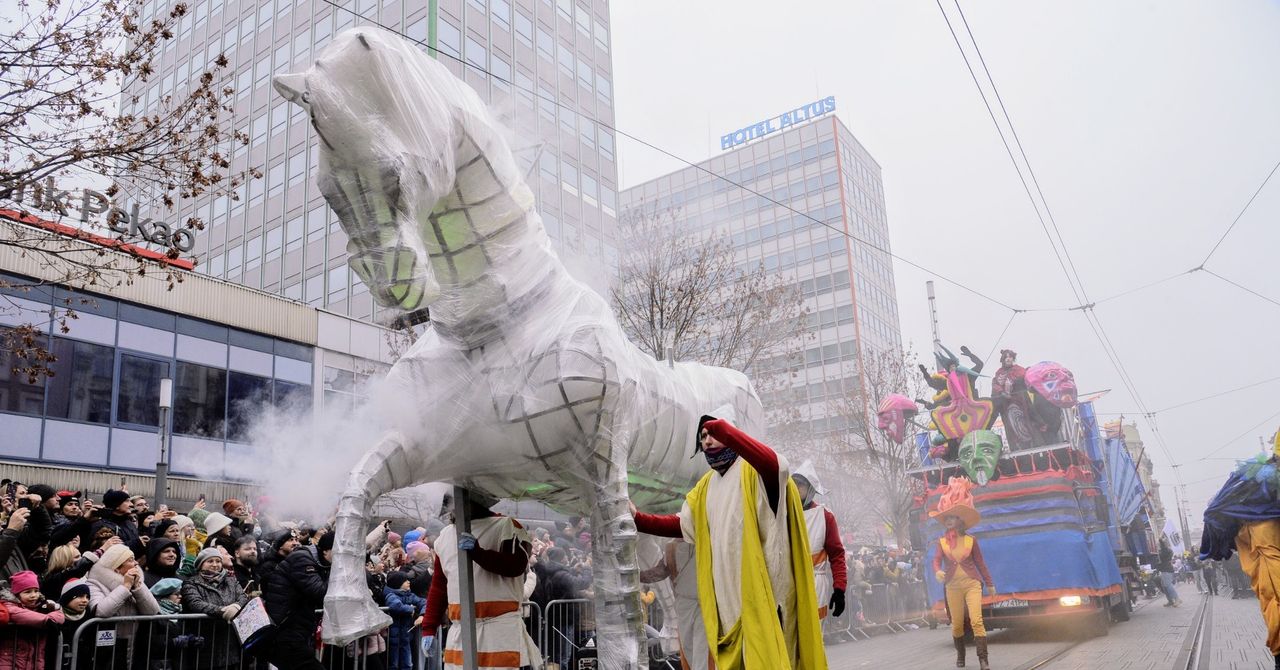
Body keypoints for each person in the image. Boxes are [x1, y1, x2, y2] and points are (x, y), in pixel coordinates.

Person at [632, 414, 826, 669]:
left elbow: (776, 466)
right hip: (726, 608)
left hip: (765, 601)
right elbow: (681, 524)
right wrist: (637, 518)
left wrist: (724, 430)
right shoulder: (704, 488)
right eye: (703, 437)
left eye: (715, 434)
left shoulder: (753, 471)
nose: (709, 440)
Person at [420, 491, 539, 670]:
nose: (453, 511)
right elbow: (439, 586)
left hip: (499, 631)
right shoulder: (444, 536)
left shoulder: (507, 526)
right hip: (461, 632)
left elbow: (516, 566)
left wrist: (479, 553)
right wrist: (429, 627)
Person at [930, 477, 995, 670]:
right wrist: (937, 571)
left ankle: (983, 659)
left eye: (952, 517)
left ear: (959, 520)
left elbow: (980, 563)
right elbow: (935, 561)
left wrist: (990, 583)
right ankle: (961, 655)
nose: (948, 521)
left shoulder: (971, 540)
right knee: (957, 625)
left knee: (976, 620)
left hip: (972, 584)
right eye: (946, 518)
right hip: (952, 587)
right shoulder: (941, 542)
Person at [85, 543, 161, 668]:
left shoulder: (136, 582)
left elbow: (153, 611)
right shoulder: (94, 583)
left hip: (135, 642)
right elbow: (101, 611)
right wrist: (125, 587)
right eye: (130, 560)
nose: (136, 563)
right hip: (106, 645)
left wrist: (137, 588)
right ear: (116, 568)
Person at [263, 530, 332, 670]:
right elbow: (320, 592)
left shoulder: (315, 561)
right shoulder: (303, 560)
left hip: (297, 630)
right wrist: (338, 570)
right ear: (325, 551)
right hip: (286, 630)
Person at [640, 541, 710, 670]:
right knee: (688, 648)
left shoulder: (704, 539)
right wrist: (637, 576)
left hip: (703, 605)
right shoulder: (671, 547)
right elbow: (660, 571)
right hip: (683, 606)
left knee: (702, 650)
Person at [792, 465, 847, 622]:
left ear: (810, 488)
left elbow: (837, 555)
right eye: (793, 484)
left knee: (815, 636)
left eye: (800, 484)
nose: (795, 488)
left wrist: (839, 590)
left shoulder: (825, 516)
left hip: (815, 584)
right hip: (789, 583)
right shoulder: (783, 513)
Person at [181, 548, 251, 670]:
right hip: (205, 644)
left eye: (218, 561)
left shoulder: (231, 580)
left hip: (230, 643)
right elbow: (196, 604)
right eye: (210, 561)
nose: (215, 565)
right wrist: (222, 612)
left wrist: (236, 606)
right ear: (201, 564)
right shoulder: (191, 583)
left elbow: (242, 597)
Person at [0, 570, 65, 670]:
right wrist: (46, 620)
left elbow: (60, 614)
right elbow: (20, 614)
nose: (34, 595)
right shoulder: (9, 604)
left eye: (36, 591)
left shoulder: (43, 605)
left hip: (35, 661)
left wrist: (49, 618)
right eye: (27, 592)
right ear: (16, 594)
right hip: (11, 662)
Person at [385, 570, 426, 670]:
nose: (408, 582)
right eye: (405, 580)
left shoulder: (409, 595)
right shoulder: (391, 595)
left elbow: (424, 602)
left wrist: (422, 615)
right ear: (398, 583)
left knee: (408, 664)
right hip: (392, 638)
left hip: (405, 637)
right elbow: (395, 605)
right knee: (393, 665)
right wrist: (410, 609)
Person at [92, 490, 143, 558]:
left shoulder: (130, 524)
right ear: (116, 505)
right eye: (127, 501)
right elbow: (110, 553)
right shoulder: (101, 526)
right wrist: (138, 543)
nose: (131, 504)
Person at [1157, 538, 1182, 607]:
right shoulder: (1165, 551)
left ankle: (1177, 599)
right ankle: (1170, 600)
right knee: (1164, 587)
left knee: (1168, 585)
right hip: (1165, 569)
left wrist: (1160, 541)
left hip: (1166, 570)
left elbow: (1163, 550)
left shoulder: (1165, 551)